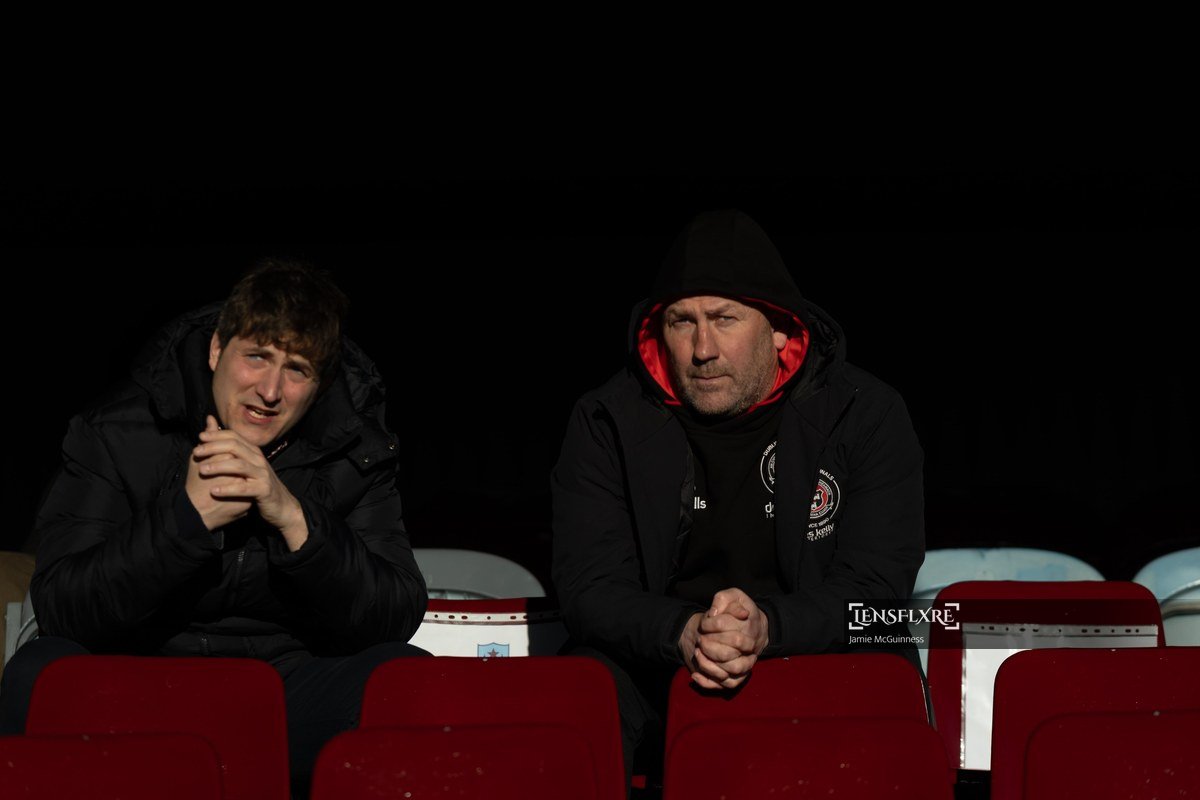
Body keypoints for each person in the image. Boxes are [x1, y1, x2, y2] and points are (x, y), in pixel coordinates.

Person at [1, 258, 427, 793]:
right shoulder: (119, 430)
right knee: (40, 674)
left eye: (297, 369)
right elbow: (63, 605)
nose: (270, 391)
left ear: (319, 383)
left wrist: (294, 518)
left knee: (407, 681)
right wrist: (185, 522)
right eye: (257, 357)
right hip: (138, 678)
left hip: (283, 690)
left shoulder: (356, 450)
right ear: (216, 349)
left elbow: (394, 613)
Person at [551, 210, 925, 776]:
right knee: (585, 685)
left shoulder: (864, 413)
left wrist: (767, 627)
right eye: (682, 322)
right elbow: (590, 587)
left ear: (778, 328)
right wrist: (684, 633)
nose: (703, 348)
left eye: (724, 319)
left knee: (884, 664)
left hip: (819, 655)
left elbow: (879, 590)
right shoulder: (608, 419)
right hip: (663, 663)